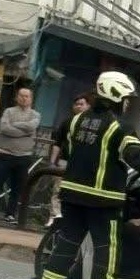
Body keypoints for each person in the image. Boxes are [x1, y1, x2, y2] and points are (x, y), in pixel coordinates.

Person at [36, 71, 140, 279]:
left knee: (68, 241)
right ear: (116, 96)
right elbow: (139, 160)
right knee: (106, 246)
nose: (128, 102)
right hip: (103, 199)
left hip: (71, 194)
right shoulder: (119, 128)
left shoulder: (74, 121)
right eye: (126, 97)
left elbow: (69, 152)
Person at [0, 86, 40, 224]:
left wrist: (16, 125)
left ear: (31, 99)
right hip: (5, 154)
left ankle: (10, 214)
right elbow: (5, 129)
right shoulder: (8, 111)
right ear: (16, 97)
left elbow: (32, 126)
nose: (24, 98)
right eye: (21, 95)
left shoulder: (35, 114)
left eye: (27, 96)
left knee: (17, 188)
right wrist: (24, 131)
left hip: (24, 156)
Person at [47, 92, 94, 226]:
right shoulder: (67, 122)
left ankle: (70, 219)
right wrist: (52, 161)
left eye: (82, 104)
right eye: (77, 104)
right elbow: (57, 143)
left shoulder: (91, 124)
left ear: (88, 106)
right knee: (58, 189)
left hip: (82, 164)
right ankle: (54, 216)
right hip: (64, 161)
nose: (79, 107)